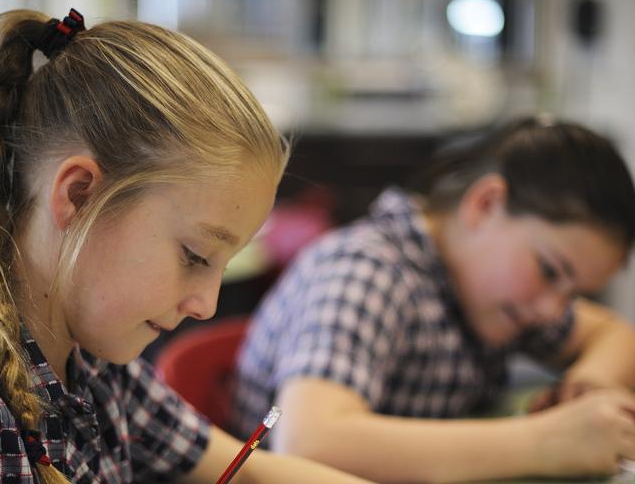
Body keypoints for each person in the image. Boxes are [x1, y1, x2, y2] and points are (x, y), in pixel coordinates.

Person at [0, 8, 377, 484]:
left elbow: (256, 473)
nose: (206, 306)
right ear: (80, 195)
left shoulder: (96, 362)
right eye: (194, 256)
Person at [233, 116, 635, 483]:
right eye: (549, 271)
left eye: (574, 293)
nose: (552, 310)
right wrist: (544, 442)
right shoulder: (366, 270)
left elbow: (615, 334)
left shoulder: (489, 293)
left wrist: (588, 385)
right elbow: (308, 441)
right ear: (486, 204)